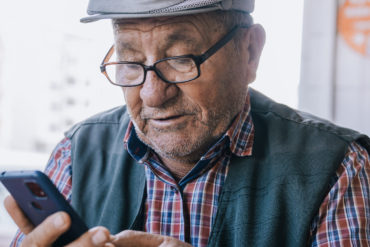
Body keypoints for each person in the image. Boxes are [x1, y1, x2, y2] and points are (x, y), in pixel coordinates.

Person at [4, 0, 370, 246]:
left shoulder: (337, 167)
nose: (151, 95)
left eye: (180, 59)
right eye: (130, 62)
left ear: (250, 52)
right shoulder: (76, 153)